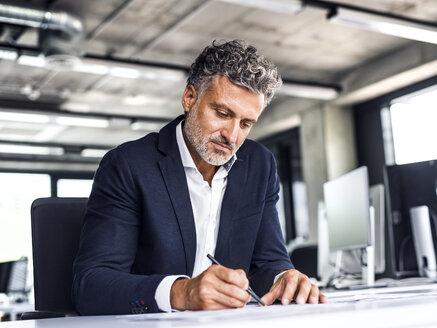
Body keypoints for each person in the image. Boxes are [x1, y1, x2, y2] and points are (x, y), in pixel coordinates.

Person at [72, 40, 326, 315]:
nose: (232, 136)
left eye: (245, 124)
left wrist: (283, 278)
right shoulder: (128, 165)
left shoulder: (260, 165)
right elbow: (91, 285)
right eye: (222, 113)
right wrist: (181, 292)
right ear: (189, 98)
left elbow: (268, 262)